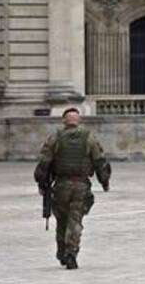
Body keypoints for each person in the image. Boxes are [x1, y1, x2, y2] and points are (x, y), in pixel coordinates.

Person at [33, 107, 111, 269]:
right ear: (78, 120)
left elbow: (44, 162)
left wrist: (41, 182)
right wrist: (104, 181)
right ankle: (71, 253)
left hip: (61, 185)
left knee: (62, 220)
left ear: (64, 121)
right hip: (81, 186)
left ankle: (62, 251)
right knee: (75, 220)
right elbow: (100, 161)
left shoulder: (55, 138)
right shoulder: (89, 138)